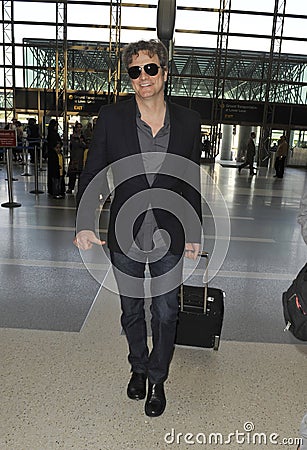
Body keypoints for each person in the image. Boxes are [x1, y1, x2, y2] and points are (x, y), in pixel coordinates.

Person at [74, 39, 202, 417]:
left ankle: (158, 379)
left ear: (163, 72)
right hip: (125, 232)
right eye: (134, 71)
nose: (142, 77)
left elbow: (191, 178)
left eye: (149, 68)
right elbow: (94, 170)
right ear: (129, 78)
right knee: (131, 309)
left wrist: (193, 231)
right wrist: (84, 222)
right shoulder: (112, 118)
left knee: (165, 313)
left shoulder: (189, 121)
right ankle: (138, 366)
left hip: (170, 231)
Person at [66, 123, 86, 194]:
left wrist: (81, 143)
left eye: (80, 127)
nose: (79, 129)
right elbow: (75, 144)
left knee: (81, 175)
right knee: (72, 174)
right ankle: (70, 188)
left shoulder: (83, 137)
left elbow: (85, 145)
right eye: (78, 127)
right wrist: (80, 143)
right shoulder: (72, 136)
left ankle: (81, 188)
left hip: (81, 158)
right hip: (74, 157)